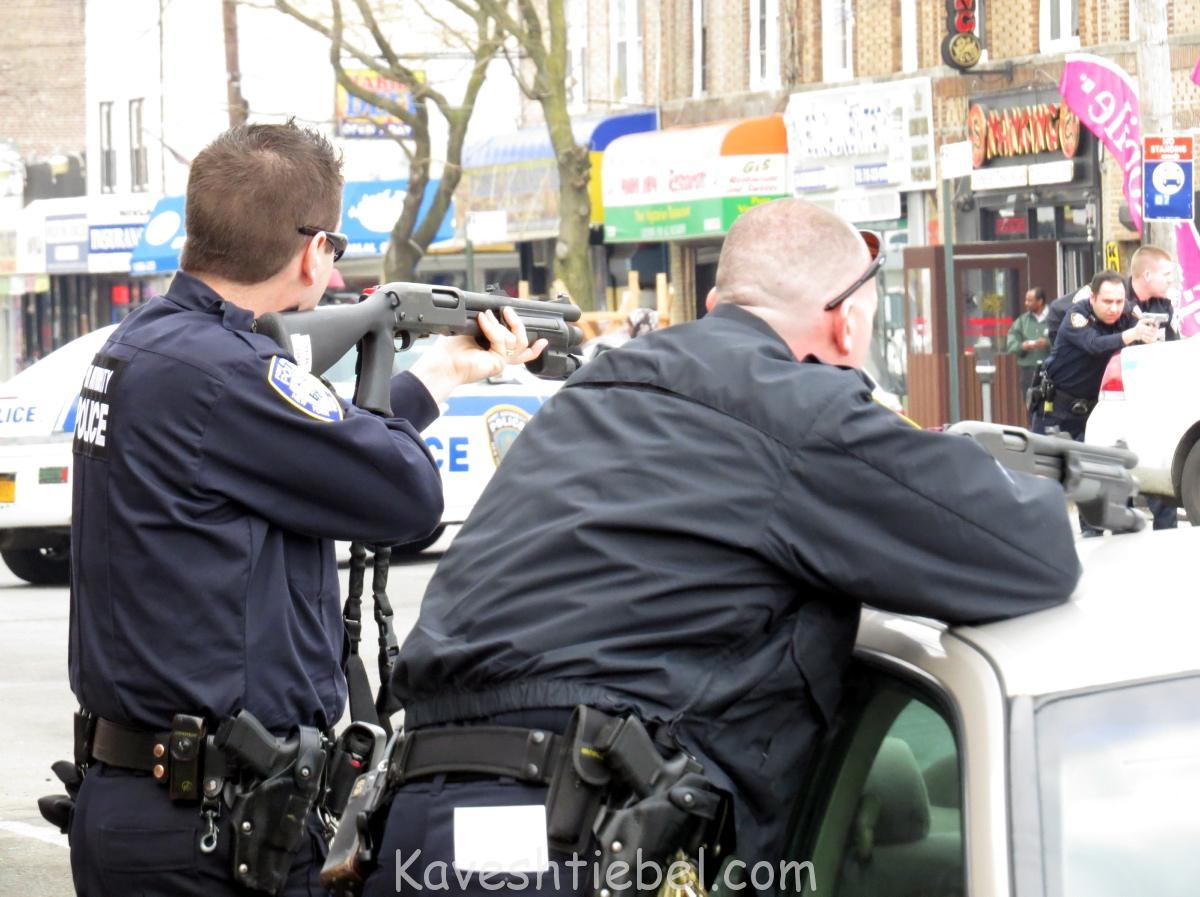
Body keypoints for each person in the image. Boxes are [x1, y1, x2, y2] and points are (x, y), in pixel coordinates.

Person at [361, 198, 1081, 897]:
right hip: (570, 838)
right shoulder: (801, 413)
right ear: (846, 324)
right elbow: (1032, 552)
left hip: (417, 824)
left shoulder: (594, 392)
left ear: (714, 304)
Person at [59, 121, 543, 897]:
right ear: (315, 251)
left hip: (161, 802)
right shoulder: (227, 373)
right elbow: (407, 496)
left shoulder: (149, 344)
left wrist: (439, 375)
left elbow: (309, 451)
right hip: (210, 827)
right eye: (336, 248)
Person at [1034, 270, 1159, 536]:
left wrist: (1150, 334)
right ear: (1093, 298)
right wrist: (1132, 334)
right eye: (1107, 301)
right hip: (1059, 408)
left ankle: (1100, 526)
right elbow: (1094, 344)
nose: (1114, 308)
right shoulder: (1077, 315)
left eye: (1119, 301)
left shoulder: (1129, 314)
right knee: (1046, 474)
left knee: (1099, 468)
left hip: (1098, 407)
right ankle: (1038, 534)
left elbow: (1147, 335)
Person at [1123, 245, 1180, 529]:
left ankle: (1166, 529)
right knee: (1119, 466)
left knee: (1158, 461)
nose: (1170, 280)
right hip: (1118, 398)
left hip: (1154, 396)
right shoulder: (1115, 300)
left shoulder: (1162, 305)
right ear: (1147, 275)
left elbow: (1172, 345)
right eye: (1166, 274)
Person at [1005, 286, 1051, 420]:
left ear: (1040, 301)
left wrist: (1048, 343)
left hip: (1051, 370)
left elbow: (1064, 339)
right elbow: (1011, 343)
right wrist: (1022, 346)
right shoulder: (1022, 321)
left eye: (1030, 300)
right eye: (1026, 300)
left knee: (1051, 405)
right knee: (1031, 406)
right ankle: (1034, 428)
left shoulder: (1054, 318)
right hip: (1028, 372)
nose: (1026, 303)